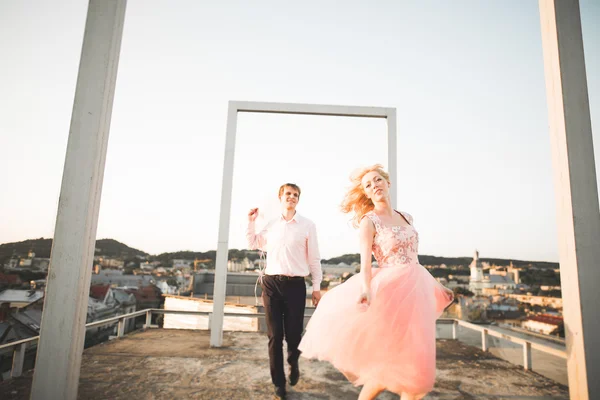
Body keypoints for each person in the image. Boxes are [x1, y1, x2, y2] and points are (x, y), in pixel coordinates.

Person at [298, 165, 454, 400]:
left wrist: (436, 286)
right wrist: (366, 290)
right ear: (367, 194)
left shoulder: (406, 216)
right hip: (391, 291)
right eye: (368, 185)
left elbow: (414, 257)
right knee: (402, 371)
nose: (375, 185)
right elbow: (366, 264)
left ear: (387, 183)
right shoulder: (368, 221)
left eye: (377, 180)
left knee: (403, 368)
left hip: (416, 287)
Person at [247, 183, 323, 400]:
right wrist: (251, 222)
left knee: (293, 335)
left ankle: (293, 362)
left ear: (298, 199)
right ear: (280, 197)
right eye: (288, 194)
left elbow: (314, 258)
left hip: (296, 285)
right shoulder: (271, 224)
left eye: (296, 195)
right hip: (271, 284)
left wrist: (316, 287)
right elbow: (253, 243)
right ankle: (278, 383)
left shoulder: (308, 225)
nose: (292, 197)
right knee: (274, 336)